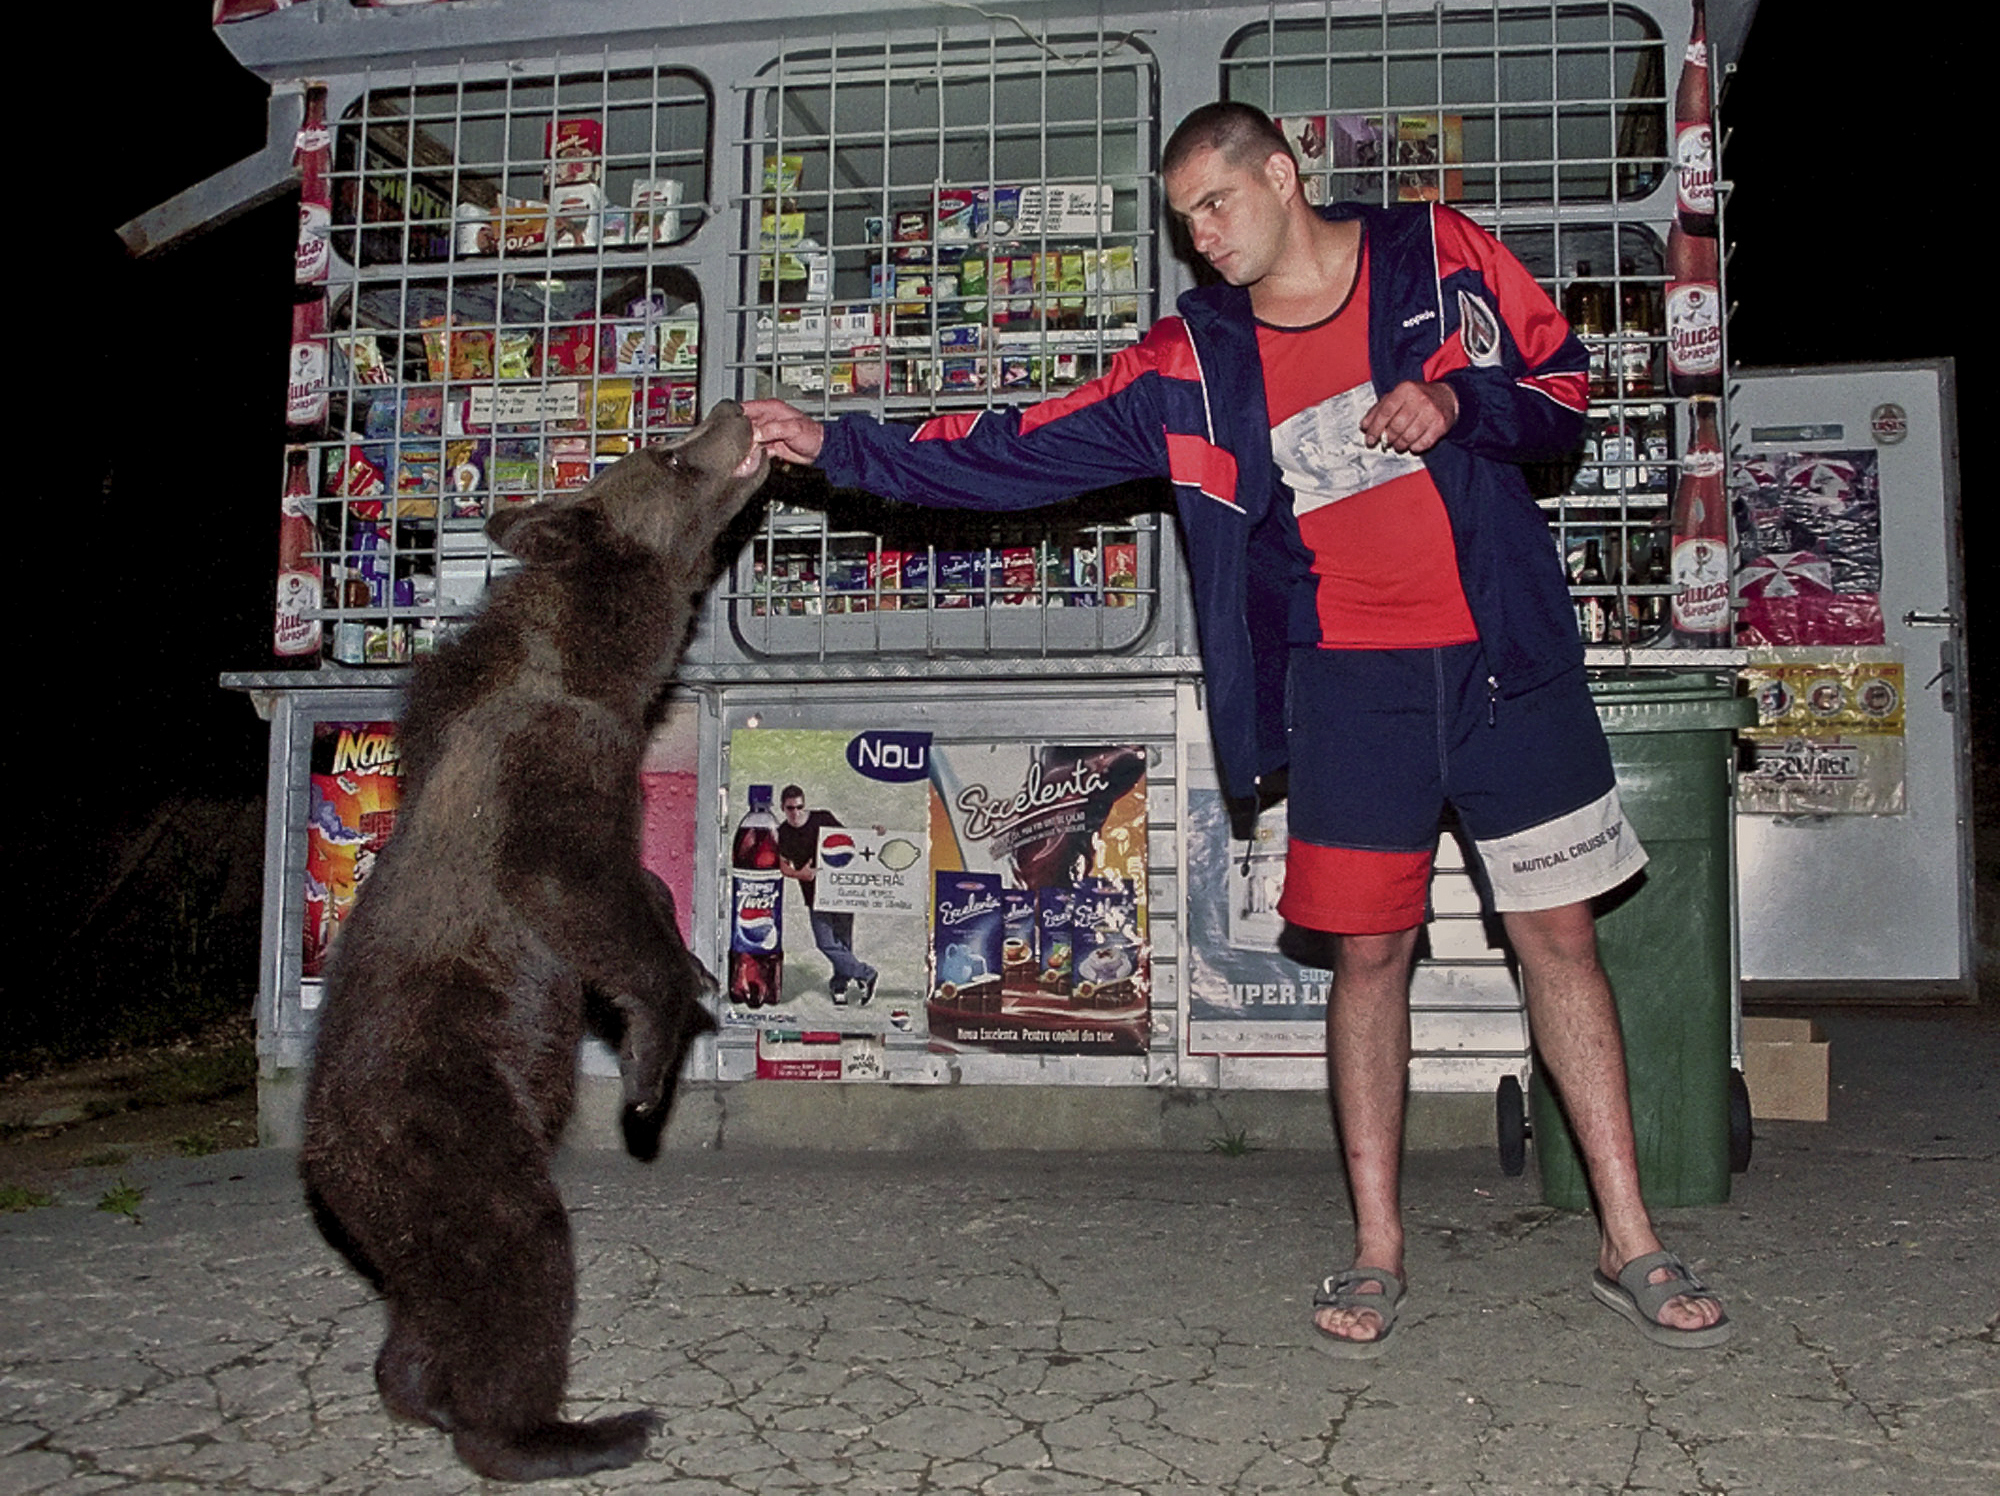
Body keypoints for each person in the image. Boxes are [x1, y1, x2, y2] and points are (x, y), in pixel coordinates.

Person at [746, 101, 1729, 1354]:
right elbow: (1015, 450)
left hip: (1505, 669)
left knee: (1560, 939)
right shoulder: (1188, 359)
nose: (1200, 237)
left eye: (1215, 204)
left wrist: (1456, 404)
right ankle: (1376, 1244)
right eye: (1183, 220)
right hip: (1347, 690)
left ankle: (1627, 1232)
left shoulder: (1437, 254)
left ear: (1282, 172)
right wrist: (837, 443)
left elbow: (1559, 389)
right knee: (1368, 958)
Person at [775, 784, 879, 1005]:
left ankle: (839, 986)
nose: (796, 812)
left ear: (805, 805)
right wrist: (799, 874)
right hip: (815, 895)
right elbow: (782, 865)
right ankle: (865, 973)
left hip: (840, 891)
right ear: (782, 808)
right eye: (790, 808)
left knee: (843, 943)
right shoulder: (783, 832)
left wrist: (875, 835)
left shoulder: (822, 818)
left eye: (799, 807)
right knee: (825, 942)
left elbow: (850, 840)